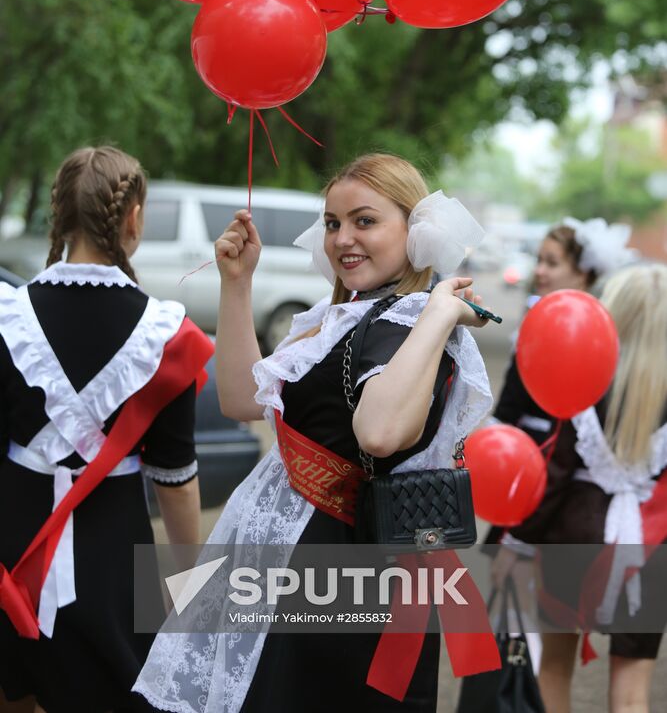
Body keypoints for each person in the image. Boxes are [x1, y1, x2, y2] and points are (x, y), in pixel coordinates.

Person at [134, 152, 497, 713]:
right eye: (333, 223)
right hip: (278, 559)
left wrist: (437, 313)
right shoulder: (349, 317)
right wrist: (238, 284)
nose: (342, 238)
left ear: (416, 232)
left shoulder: (410, 323)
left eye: (364, 220)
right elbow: (240, 400)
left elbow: (378, 433)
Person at [0, 146, 213, 713]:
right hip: (117, 552)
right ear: (134, 217)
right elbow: (177, 478)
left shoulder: (8, 317)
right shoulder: (166, 334)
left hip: (13, 544)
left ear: (58, 216)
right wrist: (192, 589)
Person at [498, 262, 667, 713]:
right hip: (649, 551)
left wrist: (517, 539)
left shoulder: (588, 377)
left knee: (554, 667)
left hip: (571, 539)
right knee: (633, 693)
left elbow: (554, 472)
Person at [494, 218, 634, 446]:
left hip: (571, 457)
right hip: (524, 447)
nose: (539, 270)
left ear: (582, 274)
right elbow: (509, 405)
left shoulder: (601, 333)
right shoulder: (537, 319)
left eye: (552, 263)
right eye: (539, 260)